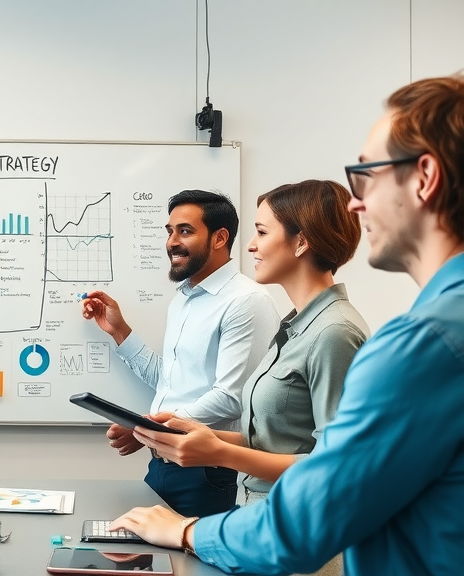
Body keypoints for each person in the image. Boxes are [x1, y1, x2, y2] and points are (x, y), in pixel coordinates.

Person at [109, 75, 464, 576]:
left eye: (367, 177)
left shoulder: (420, 341)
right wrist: (208, 441)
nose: (356, 204)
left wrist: (185, 530)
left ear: (424, 177)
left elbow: (318, 504)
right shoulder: (309, 326)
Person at [131, 180, 369, 576]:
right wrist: (199, 435)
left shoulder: (334, 333)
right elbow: (276, 438)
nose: (251, 246)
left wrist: (219, 452)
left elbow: (337, 469)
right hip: (262, 520)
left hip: (303, 540)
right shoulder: (297, 326)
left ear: (301, 242)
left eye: (261, 232)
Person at [82, 190, 279, 517]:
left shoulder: (246, 301)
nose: (172, 241)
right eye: (169, 231)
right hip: (164, 465)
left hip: (210, 471)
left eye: (185, 231)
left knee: (197, 568)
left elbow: (232, 397)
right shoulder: (184, 299)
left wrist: (147, 428)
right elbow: (171, 381)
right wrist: (118, 331)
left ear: (219, 238)